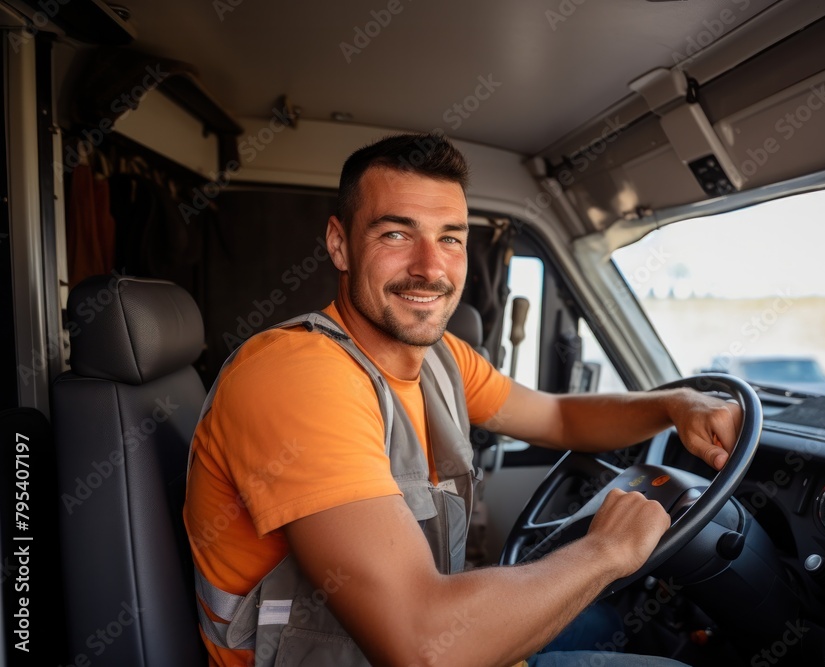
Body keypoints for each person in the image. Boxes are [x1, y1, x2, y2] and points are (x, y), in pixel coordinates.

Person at [183, 132, 742, 667]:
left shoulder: (442, 359)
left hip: (432, 635)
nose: (430, 266)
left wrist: (676, 403)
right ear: (340, 245)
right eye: (396, 234)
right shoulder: (297, 376)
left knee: (614, 624)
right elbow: (423, 650)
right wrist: (607, 552)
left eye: (450, 237)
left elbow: (559, 416)